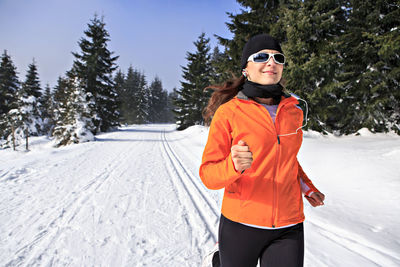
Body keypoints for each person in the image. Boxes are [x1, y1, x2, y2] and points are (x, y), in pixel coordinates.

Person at [199, 34, 325, 267]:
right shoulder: (229, 113)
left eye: (278, 58)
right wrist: (233, 166)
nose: (272, 62)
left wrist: (308, 188)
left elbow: (287, 159)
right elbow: (208, 174)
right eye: (261, 57)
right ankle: (219, 259)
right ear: (246, 68)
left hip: (288, 224)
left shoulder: (294, 111)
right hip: (241, 223)